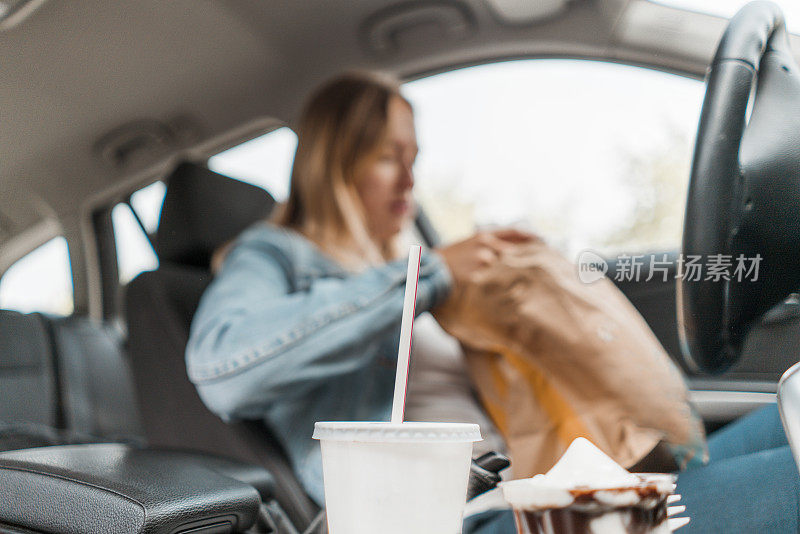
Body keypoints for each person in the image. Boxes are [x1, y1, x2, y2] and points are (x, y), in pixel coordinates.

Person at [186, 71, 799, 533]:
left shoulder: (394, 260)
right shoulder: (272, 255)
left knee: (789, 418)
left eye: (413, 160)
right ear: (333, 162)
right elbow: (223, 368)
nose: (409, 181)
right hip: (447, 515)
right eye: (386, 158)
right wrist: (425, 277)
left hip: (534, 484)